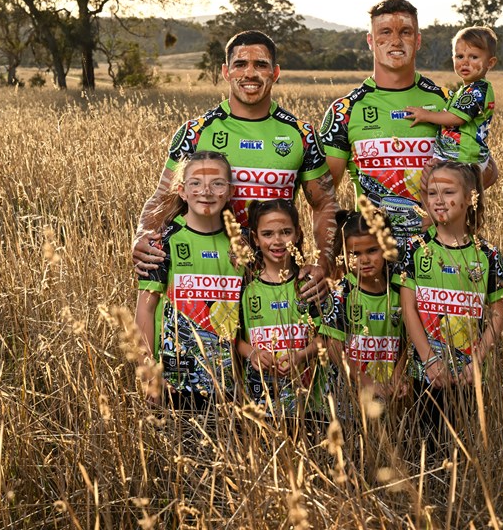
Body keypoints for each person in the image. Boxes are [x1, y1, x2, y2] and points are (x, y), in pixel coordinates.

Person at [132, 30, 338, 299]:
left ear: (275, 73)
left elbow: (324, 204)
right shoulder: (196, 132)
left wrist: (324, 264)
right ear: (226, 72)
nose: (249, 73)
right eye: (240, 64)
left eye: (260, 65)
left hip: (276, 279)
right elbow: (164, 196)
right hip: (209, 274)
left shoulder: (302, 135)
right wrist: (143, 234)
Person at [320, 0, 499, 245]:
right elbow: (322, 199)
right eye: (385, 32)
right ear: (371, 41)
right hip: (375, 256)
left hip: (439, 252)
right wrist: (329, 260)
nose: (396, 41)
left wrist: (442, 210)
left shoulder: (447, 102)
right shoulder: (344, 110)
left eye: (405, 32)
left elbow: (486, 170)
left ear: (418, 40)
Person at [393, 161, 503, 449]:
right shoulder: (414, 248)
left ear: (470, 197)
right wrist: (429, 359)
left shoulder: (488, 255)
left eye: (448, 192)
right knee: (425, 446)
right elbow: (408, 309)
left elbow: (499, 314)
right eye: (432, 193)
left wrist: (476, 361)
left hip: (466, 375)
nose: (439, 200)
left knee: (461, 446)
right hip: (425, 371)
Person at [134, 151, 243, 409]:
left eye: (217, 183)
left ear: (229, 192)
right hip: (175, 383)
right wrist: (150, 376)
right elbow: (145, 311)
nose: (206, 191)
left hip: (229, 385)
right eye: (196, 183)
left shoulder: (242, 243)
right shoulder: (163, 242)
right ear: (182, 191)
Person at [235, 199, 325, 420]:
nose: (277, 241)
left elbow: (329, 338)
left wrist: (302, 355)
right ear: (255, 239)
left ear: (298, 234)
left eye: (285, 232)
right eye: (267, 234)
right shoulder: (245, 285)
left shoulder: (310, 283)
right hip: (261, 400)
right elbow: (232, 338)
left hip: (309, 403)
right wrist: (253, 353)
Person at [320, 209, 407, 400]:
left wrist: (398, 377)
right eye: (355, 254)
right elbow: (333, 346)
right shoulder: (341, 294)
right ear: (344, 254)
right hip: (348, 393)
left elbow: (405, 342)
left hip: (388, 390)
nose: (365, 260)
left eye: (372, 250)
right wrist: (365, 382)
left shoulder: (398, 290)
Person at [405, 26, 499, 186]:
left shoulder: (477, 90)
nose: (465, 62)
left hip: (464, 157)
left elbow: (456, 118)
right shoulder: (466, 89)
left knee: (449, 194)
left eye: (474, 57)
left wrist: (426, 115)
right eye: (460, 56)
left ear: (490, 63)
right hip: (457, 155)